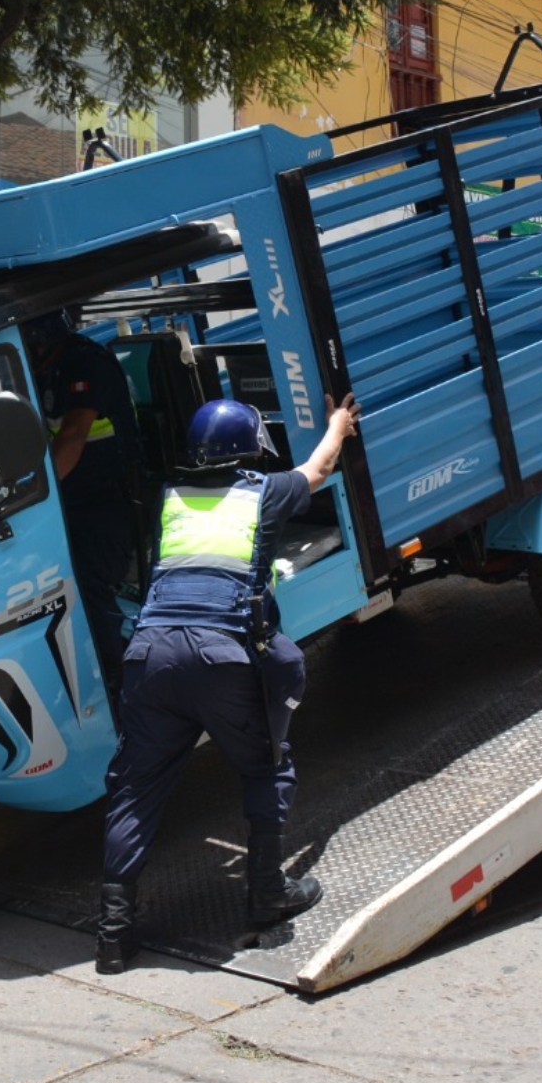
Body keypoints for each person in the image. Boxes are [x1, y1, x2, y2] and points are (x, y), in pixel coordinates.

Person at [96, 391, 360, 975]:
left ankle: (113, 936)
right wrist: (338, 426)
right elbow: (317, 469)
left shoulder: (169, 499)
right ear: (248, 451)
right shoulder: (263, 493)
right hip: (219, 657)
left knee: (135, 788)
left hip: (151, 655)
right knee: (266, 764)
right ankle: (267, 892)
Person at [23, 309, 143, 707]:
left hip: (109, 496)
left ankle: (120, 684)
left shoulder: (86, 362)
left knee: (89, 583)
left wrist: (30, 499)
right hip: (72, 496)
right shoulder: (40, 369)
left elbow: (72, 436)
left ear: (44, 342)